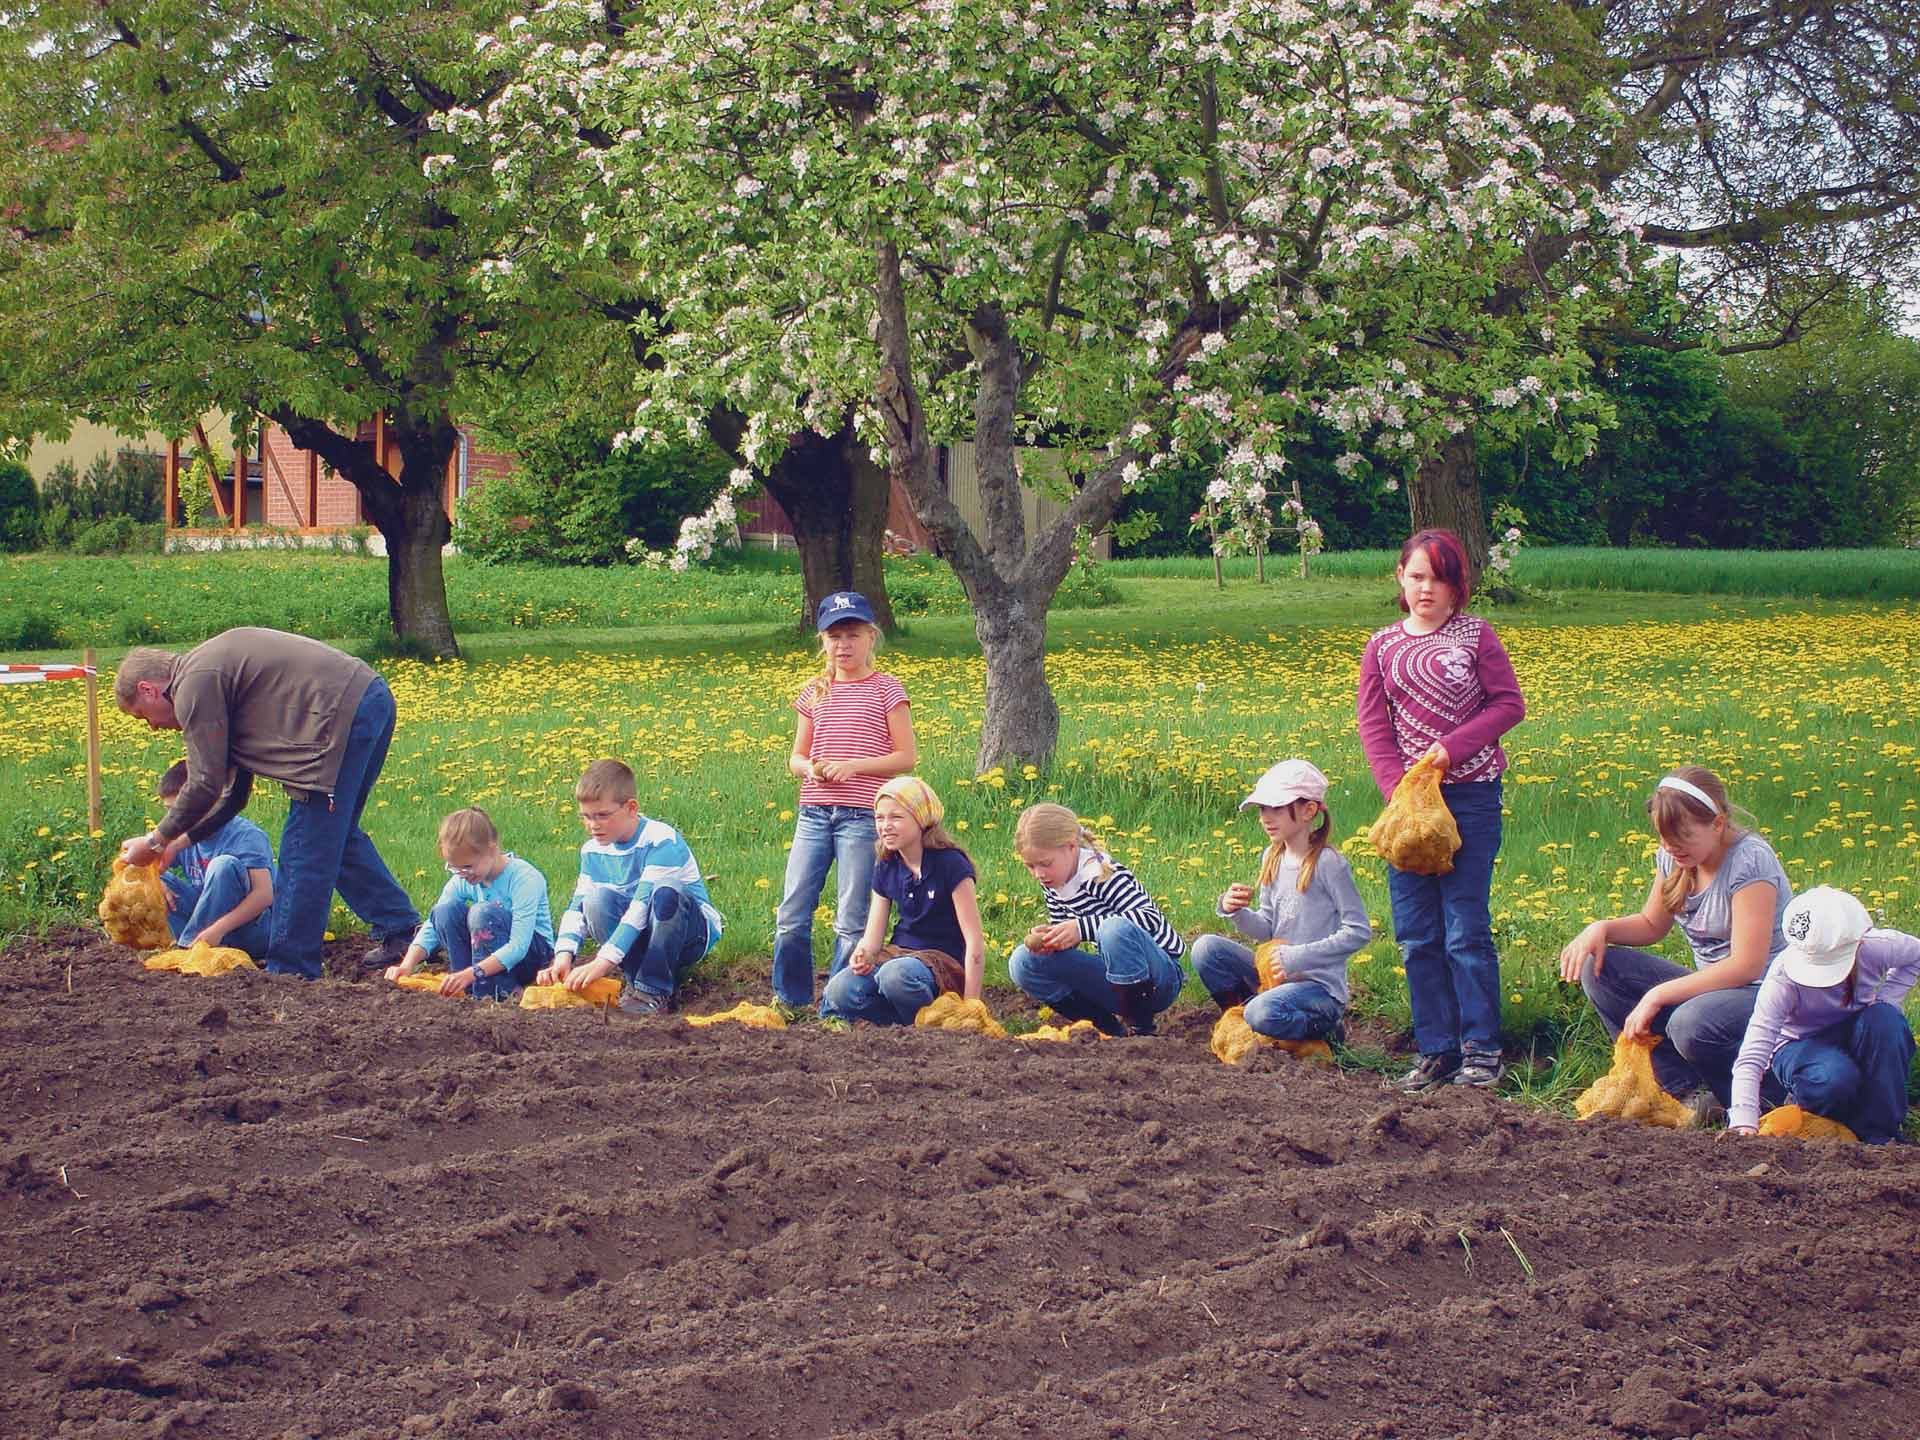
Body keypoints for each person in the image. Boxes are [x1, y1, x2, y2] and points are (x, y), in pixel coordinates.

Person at [114, 628, 419, 981]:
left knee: (304, 847)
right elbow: (233, 796)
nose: (152, 726)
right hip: (368, 696)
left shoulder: (194, 687)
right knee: (335, 833)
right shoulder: (213, 676)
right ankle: (400, 928)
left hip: (337, 716)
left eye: (142, 715)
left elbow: (204, 783)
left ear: (148, 689)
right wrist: (178, 844)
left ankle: (291, 969)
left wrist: (155, 841)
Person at [1357, 528, 1525, 1091]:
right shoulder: (1382, 646)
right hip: (1408, 811)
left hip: (1471, 796)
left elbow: (1508, 705)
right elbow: (1374, 725)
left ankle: (1482, 1049)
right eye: (1417, 576)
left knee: (1465, 928)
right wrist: (1396, 792)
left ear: (1459, 587)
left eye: (1440, 578)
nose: (1427, 589)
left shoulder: (1475, 635)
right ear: (1400, 580)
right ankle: (1436, 1049)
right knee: (1417, 933)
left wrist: (1451, 750)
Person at [1558, 765, 1791, 1120]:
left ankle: (1758, 1097)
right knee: (1601, 969)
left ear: (1717, 823)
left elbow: (1747, 965)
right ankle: (1683, 1091)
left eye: (1682, 837)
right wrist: (1600, 929)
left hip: (1765, 991)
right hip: (1717, 988)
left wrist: (1658, 994)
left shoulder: (1749, 861)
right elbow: (1652, 924)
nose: (1670, 848)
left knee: (1690, 1022)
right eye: (1663, 838)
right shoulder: (1675, 856)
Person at [770, 591, 917, 1008]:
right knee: (792, 910)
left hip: (861, 815)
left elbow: (906, 757)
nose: (843, 645)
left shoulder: (887, 689)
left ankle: (838, 1002)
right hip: (813, 813)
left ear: (872, 637)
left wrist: (854, 766)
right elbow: (795, 757)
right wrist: (811, 768)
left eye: (852, 635)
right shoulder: (815, 691)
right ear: (823, 642)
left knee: (852, 917)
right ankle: (791, 1000)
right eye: (834, 637)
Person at [1189, 759, 1371, 1046]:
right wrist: (1234, 910)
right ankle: (1246, 1024)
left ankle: (1322, 1032)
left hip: (1318, 989)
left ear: (1309, 810)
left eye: (1275, 807)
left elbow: (1359, 931)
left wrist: (1297, 957)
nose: (1265, 817)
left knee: (1263, 1012)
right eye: (1262, 808)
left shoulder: (1329, 863)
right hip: (1274, 978)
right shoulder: (1271, 857)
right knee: (1206, 949)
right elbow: (1267, 929)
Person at [1728, 886, 1919, 1144]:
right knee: (1833, 1078)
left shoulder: (1878, 947)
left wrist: (1887, 999)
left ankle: (1879, 1135)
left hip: (1858, 1029)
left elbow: (1915, 956)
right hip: (1798, 1045)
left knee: (1886, 1021)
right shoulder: (1783, 980)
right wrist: (1743, 1121)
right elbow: (1752, 1055)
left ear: (1858, 943)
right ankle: (1826, 1123)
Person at [537, 759, 723, 1017]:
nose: (593, 825)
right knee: (594, 899)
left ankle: (652, 989)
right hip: (636, 934)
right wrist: (563, 955)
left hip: (688, 935)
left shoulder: (661, 839)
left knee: (667, 891)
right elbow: (577, 906)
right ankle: (637, 977)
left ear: (631, 808)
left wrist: (604, 961)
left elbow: (641, 905)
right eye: (587, 817)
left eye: (603, 815)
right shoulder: (591, 850)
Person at [1007, 802, 1187, 1037]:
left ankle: (1142, 1030)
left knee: (1114, 929)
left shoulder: (1102, 873)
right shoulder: (1053, 881)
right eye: (1030, 866)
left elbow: (1148, 917)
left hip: (1159, 978)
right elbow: (1070, 933)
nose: (1038, 873)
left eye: (1045, 863)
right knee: (1022, 961)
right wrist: (1054, 938)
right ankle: (1107, 1029)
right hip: (1115, 979)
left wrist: (1082, 928)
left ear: (1071, 847)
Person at [820, 777, 984, 1026]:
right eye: (879, 818)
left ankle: (941, 1018)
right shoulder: (886, 865)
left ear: (921, 820)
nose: (885, 826)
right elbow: (872, 938)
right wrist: (862, 954)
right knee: (839, 991)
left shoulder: (952, 864)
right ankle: (913, 1026)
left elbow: (974, 942)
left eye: (896, 817)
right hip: (899, 957)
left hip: (941, 964)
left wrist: (971, 1006)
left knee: (895, 976)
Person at [384, 808, 555, 1002]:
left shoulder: (524, 878)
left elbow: (519, 946)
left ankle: (501, 990)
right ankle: (472, 987)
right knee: (444, 911)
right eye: (454, 868)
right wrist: (406, 965)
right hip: (482, 965)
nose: (462, 874)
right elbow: (433, 925)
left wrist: (471, 973)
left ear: (492, 848)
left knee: (482, 913)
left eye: (467, 866)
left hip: (532, 957)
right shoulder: (462, 880)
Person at [153, 760, 275, 957]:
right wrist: (155, 881)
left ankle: (186, 950)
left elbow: (264, 895)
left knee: (223, 865)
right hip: (204, 927)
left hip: (247, 930)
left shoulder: (246, 835)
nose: (176, 819)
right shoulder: (177, 836)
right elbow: (139, 864)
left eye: (180, 811)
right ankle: (186, 945)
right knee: (156, 880)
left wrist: (218, 929)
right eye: (170, 811)